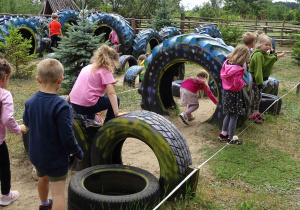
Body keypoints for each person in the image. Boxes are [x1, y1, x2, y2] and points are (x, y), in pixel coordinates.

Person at [23, 59, 84, 210]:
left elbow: (27, 123)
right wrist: (78, 152)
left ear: (38, 80)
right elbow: (67, 136)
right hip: (55, 157)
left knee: (42, 178)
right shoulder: (61, 106)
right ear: (60, 80)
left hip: (37, 155)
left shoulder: (30, 102)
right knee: (58, 194)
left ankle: (43, 204)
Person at [68, 45, 128, 127]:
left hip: (75, 104)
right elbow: (111, 94)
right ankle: (107, 126)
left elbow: (76, 86)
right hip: (86, 107)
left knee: (93, 96)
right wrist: (116, 113)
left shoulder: (87, 67)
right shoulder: (105, 71)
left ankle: (90, 119)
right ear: (112, 61)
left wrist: (67, 101)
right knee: (115, 99)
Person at [0, 58, 27, 206]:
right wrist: (18, 129)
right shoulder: (4, 94)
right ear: (5, 78)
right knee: (4, 167)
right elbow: (7, 119)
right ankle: (5, 196)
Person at [248, 35, 286, 124]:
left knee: (258, 97)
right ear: (259, 45)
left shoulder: (263, 54)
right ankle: (252, 114)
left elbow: (268, 58)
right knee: (255, 97)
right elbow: (258, 70)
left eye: (269, 45)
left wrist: (277, 56)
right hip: (255, 80)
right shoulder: (258, 55)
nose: (268, 47)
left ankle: (256, 112)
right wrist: (259, 82)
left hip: (259, 81)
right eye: (266, 45)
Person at [218, 45, 250, 145]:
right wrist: (243, 84)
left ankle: (223, 134)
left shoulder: (226, 64)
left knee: (228, 114)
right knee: (234, 116)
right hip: (234, 94)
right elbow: (236, 83)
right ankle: (231, 139)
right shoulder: (238, 69)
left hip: (226, 93)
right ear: (243, 57)